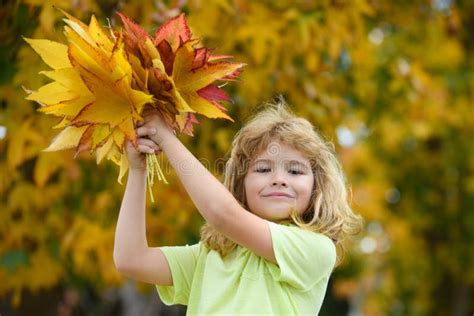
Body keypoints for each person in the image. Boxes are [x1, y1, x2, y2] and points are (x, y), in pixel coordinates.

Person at [113, 99, 363, 315]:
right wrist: (138, 170)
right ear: (240, 184)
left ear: (316, 186)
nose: (279, 178)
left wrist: (165, 138)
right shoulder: (212, 255)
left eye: (295, 170)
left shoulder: (315, 248)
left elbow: (223, 215)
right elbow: (130, 259)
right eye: (263, 169)